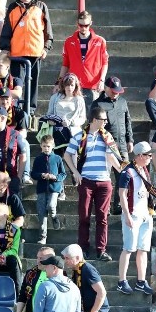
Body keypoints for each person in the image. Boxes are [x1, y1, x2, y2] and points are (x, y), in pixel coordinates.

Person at [64, 105, 122, 262]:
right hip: (86, 181)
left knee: (102, 217)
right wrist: (75, 172)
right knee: (84, 216)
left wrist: (121, 170)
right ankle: (83, 248)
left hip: (104, 181)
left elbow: (112, 157)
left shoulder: (107, 136)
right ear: (95, 120)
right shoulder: (79, 136)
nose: (106, 122)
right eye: (103, 120)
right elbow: (67, 154)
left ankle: (101, 249)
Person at [0, 0, 54, 113]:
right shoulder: (12, 7)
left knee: (33, 82)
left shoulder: (41, 7)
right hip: (17, 53)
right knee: (17, 82)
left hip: (35, 52)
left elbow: (48, 31)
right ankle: (16, 109)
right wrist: (5, 49)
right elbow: (7, 29)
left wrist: (46, 48)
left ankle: (30, 110)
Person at [116, 143, 154, 295]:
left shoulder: (143, 169)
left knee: (143, 249)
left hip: (145, 214)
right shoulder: (127, 172)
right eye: (148, 155)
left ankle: (141, 280)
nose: (150, 158)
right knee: (128, 248)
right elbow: (122, 195)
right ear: (140, 156)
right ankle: (121, 280)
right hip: (133, 215)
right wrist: (126, 214)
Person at [60, 11, 109, 112]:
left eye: (86, 25)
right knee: (74, 114)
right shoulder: (69, 41)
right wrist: (58, 82)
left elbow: (105, 63)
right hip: (74, 85)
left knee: (91, 115)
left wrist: (102, 80)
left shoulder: (100, 41)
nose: (83, 28)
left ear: (91, 23)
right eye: (81, 25)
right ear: (77, 23)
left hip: (92, 85)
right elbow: (65, 64)